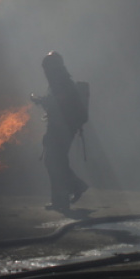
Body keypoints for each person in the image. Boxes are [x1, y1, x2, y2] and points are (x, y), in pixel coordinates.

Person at [31, 51, 88, 213]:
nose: (46, 71)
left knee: (55, 162)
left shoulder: (62, 82)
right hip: (59, 127)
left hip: (62, 129)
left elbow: (58, 101)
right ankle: (67, 193)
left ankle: (65, 196)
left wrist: (40, 100)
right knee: (55, 161)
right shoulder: (59, 81)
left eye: (47, 67)